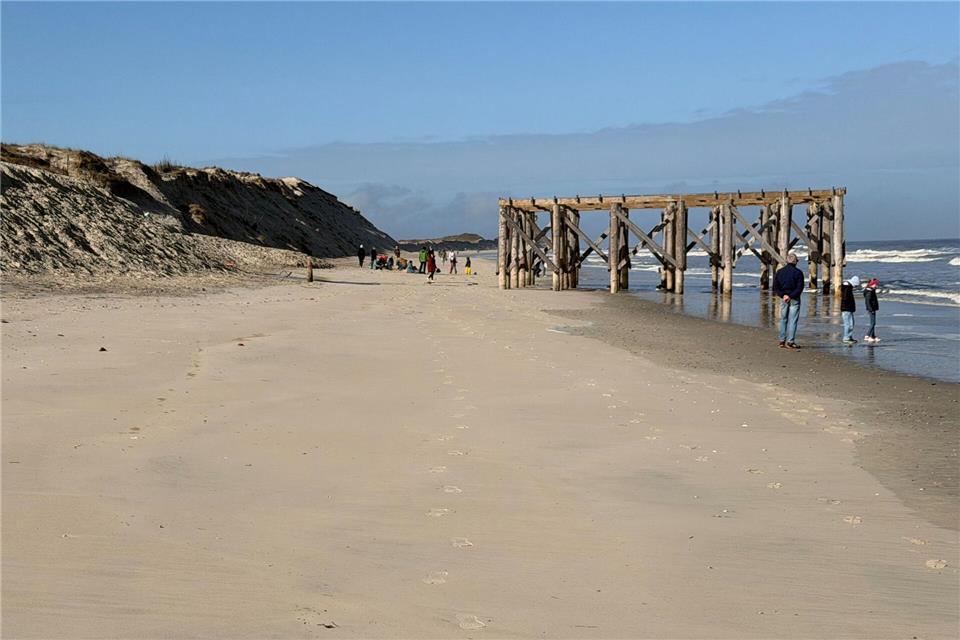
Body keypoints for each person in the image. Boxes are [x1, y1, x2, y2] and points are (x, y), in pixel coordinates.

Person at [772, 252, 804, 349]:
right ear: (796, 262)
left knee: (783, 319)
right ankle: (790, 341)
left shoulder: (780, 272)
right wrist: (790, 296)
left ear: (787, 261)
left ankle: (782, 341)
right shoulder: (798, 272)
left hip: (784, 297)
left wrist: (783, 295)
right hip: (794, 297)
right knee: (793, 320)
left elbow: (775, 287)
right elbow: (800, 288)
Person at [839, 275, 861, 344]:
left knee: (851, 324)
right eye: (856, 285)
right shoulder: (847, 288)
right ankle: (846, 338)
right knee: (848, 324)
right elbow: (845, 300)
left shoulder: (848, 287)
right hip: (846, 309)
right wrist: (847, 308)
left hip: (849, 309)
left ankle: (849, 337)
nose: (855, 286)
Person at [863, 278, 881, 343]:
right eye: (875, 284)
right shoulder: (869, 292)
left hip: (873, 308)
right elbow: (868, 302)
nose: (876, 285)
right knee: (873, 323)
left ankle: (872, 336)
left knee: (873, 323)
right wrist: (871, 309)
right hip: (871, 309)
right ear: (872, 284)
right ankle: (867, 335)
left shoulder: (872, 290)